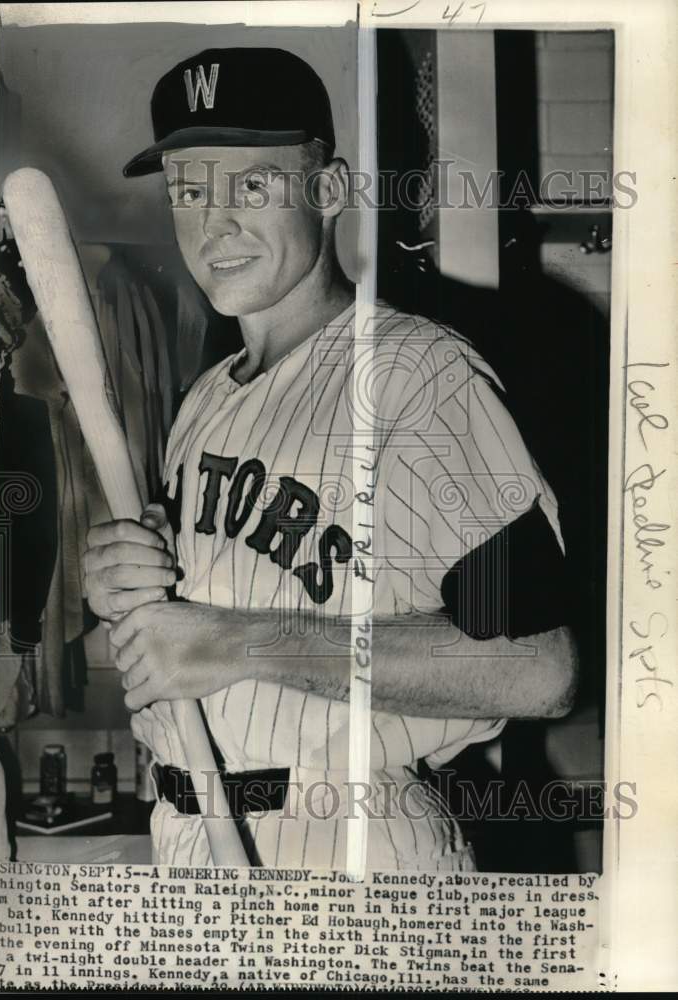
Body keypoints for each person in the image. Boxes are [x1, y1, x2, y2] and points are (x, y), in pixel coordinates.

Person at [84, 47, 577, 870]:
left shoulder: (415, 376)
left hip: (349, 845)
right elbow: (186, 630)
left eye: (253, 186)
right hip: (188, 837)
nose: (214, 225)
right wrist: (122, 581)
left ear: (330, 190)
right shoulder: (203, 402)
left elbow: (537, 666)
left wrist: (242, 643)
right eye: (189, 192)